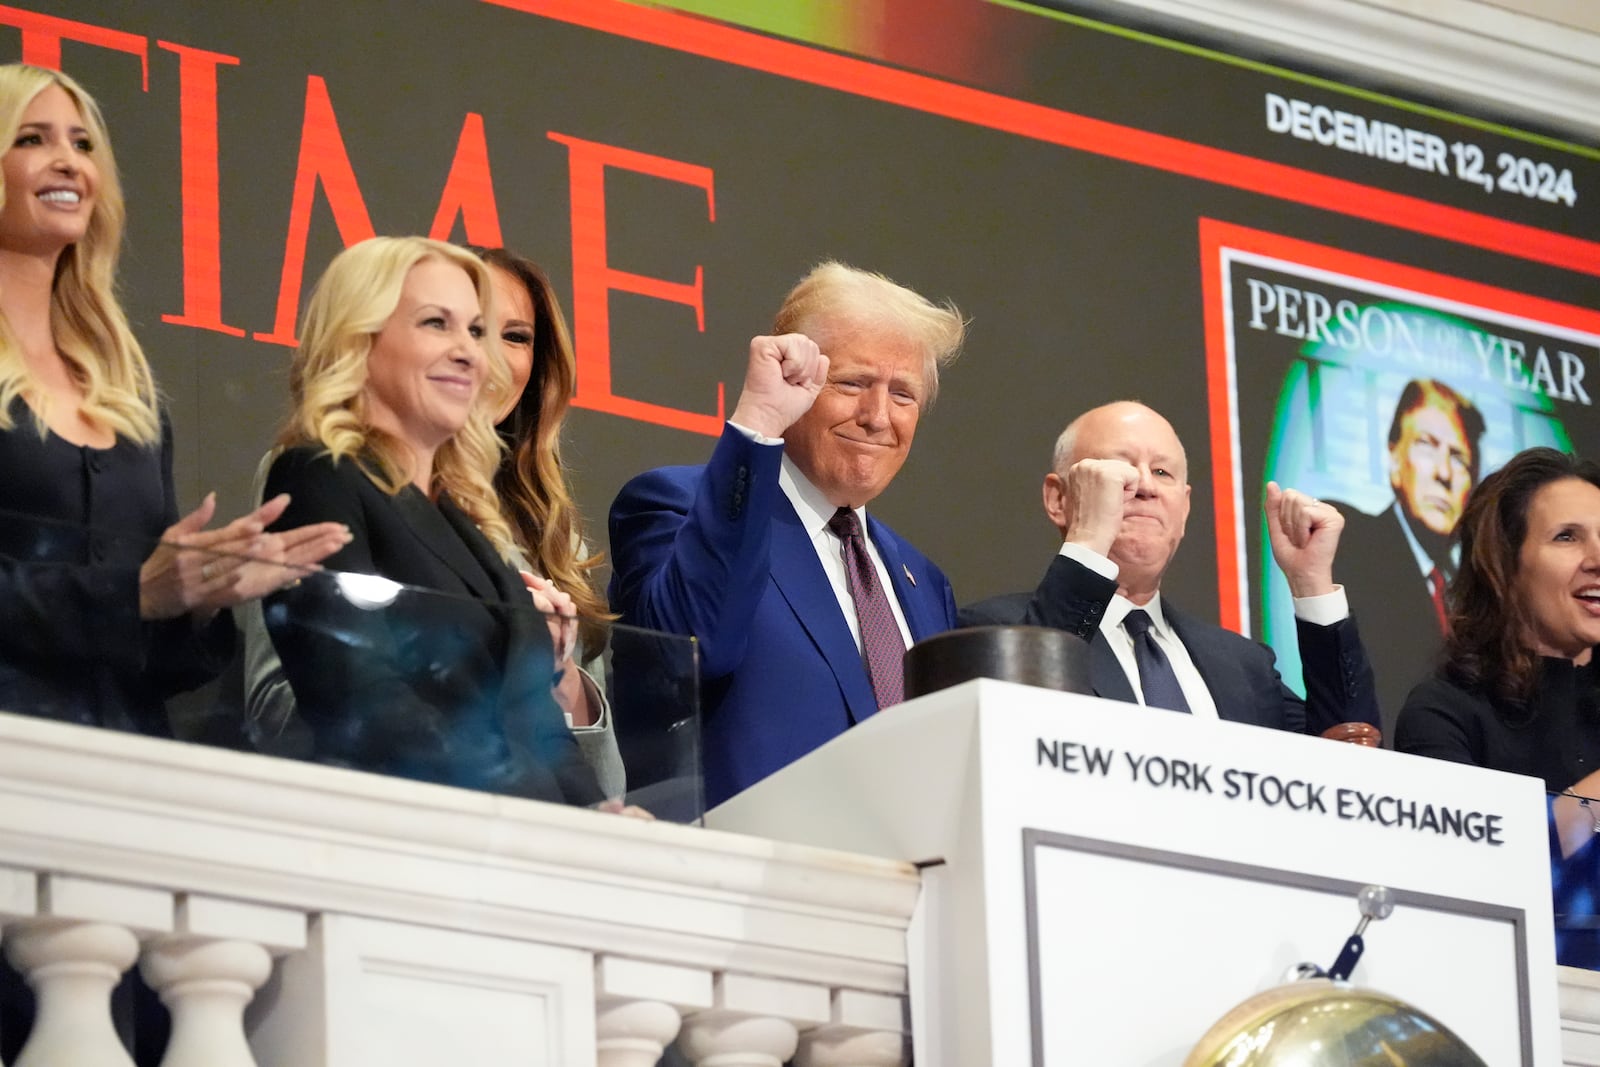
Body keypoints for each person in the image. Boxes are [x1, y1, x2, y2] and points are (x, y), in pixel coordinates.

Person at [0, 63, 347, 735]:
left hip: (124, 768)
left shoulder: (128, 398)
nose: (68, 162)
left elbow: (161, 658)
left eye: (82, 144)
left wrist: (198, 598)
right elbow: (126, 598)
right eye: (33, 139)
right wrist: (130, 595)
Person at [256, 235, 601, 806]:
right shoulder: (318, 476)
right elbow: (360, 694)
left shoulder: (469, 520)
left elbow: (536, 722)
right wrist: (516, 803)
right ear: (360, 338)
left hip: (512, 845)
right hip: (407, 834)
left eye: (475, 332)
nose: (471, 353)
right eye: (436, 324)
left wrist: (598, 818)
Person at [608, 261, 964, 807]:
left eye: (903, 395)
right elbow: (692, 653)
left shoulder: (924, 583)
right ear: (793, 378)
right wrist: (760, 422)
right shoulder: (677, 506)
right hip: (738, 875)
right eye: (853, 383)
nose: (877, 416)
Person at [961, 401, 1380, 736]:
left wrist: (1312, 584)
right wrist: (1087, 540)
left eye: (1162, 472)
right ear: (1059, 499)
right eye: (1119, 469)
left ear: (1184, 508)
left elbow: (1351, 752)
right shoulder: (997, 633)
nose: (1144, 486)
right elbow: (1020, 734)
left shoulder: (1243, 665)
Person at [1394, 447, 1600, 967]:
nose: (1597, 558)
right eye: (1567, 537)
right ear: (1504, 567)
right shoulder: (1445, 713)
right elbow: (1476, 873)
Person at [479, 246, 622, 797]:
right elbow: (279, 711)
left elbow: (607, 790)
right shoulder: (348, 482)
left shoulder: (557, 540)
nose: (490, 357)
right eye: (470, 328)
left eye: (516, 337)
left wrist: (560, 674)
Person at [1333, 379, 1486, 733]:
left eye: (1459, 458)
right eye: (1427, 445)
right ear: (1394, 458)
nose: (1443, 473)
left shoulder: (1476, 595)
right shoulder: (1353, 541)